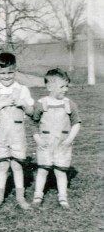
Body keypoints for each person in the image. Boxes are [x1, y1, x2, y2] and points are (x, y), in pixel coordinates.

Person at [0, 52, 34, 209]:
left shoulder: (22, 90)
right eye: (3, 73)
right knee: (3, 166)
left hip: (17, 134)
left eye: (10, 73)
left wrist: (22, 104)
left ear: (15, 70)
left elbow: (32, 112)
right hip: (1, 135)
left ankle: (20, 197)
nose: (6, 77)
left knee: (17, 165)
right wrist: (1, 104)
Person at [32, 68, 81, 208]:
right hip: (45, 143)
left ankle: (63, 197)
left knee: (60, 171)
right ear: (49, 87)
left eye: (67, 86)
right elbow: (33, 123)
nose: (65, 89)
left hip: (62, 144)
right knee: (42, 169)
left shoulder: (69, 104)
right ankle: (38, 195)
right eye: (62, 87)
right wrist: (37, 139)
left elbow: (76, 123)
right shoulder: (42, 103)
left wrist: (69, 139)